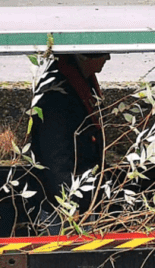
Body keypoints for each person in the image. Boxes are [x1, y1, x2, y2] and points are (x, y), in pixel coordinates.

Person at [28, 53, 111, 214]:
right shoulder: (56, 96)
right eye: (102, 53)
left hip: (81, 195)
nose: (108, 58)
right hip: (64, 206)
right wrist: (70, 204)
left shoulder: (76, 82)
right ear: (85, 57)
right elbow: (54, 159)